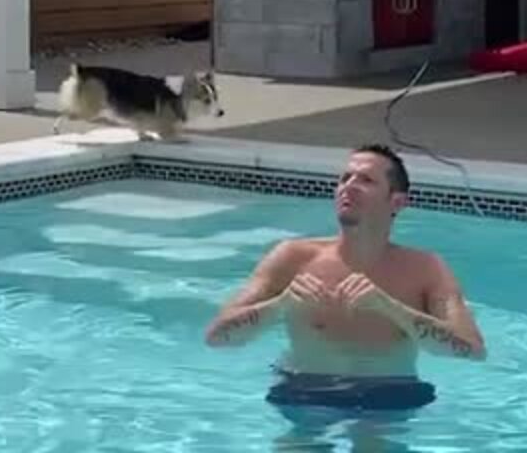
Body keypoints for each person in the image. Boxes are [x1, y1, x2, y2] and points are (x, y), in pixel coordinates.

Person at [203, 143, 486, 419]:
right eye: (344, 178)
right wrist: (281, 305)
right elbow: (217, 338)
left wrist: (389, 308)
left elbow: (471, 350)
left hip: (387, 394)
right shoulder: (292, 257)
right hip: (304, 389)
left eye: (366, 180)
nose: (348, 186)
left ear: (396, 201)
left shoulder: (426, 268)